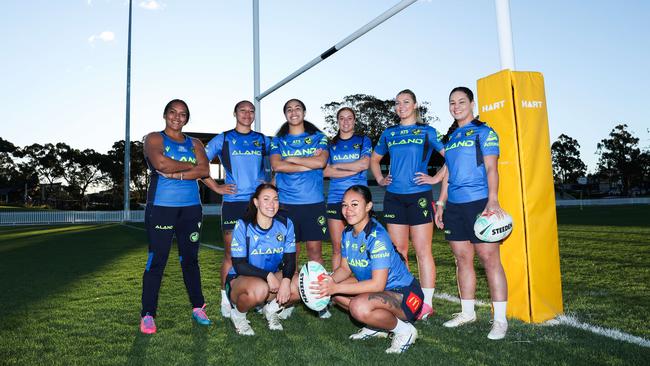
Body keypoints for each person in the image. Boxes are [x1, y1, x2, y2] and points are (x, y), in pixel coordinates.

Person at [434, 86, 508, 340]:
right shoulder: (451, 138)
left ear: (472, 103)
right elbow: (448, 174)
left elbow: (491, 169)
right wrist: (441, 204)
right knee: (462, 260)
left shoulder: (484, 132)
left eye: (461, 101)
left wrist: (493, 200)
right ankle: (467, 312)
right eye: (452, 102)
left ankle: (500, 320)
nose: (456, 106)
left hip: (479, 203)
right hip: (454, 206)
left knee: (489, 259)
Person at [314, 185, 423, 354]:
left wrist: (336, 287)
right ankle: (377, 324)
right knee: (332, 292)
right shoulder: (347, 233)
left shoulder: (377, 236)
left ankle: (403, 330)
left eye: (354, 204)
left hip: (405, 294)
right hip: (378, 288)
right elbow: (344, 268)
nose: (348, 210)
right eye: (344, 205)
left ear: (368, 207)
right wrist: (327, 283)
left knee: (358, 307)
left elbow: (378, 285)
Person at [369, 89, 445, 320]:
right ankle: (406, 298)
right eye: (397, 103)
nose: (401, 106)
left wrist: (435, 178)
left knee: (423, 251)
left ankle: (427, 304)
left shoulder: (427, 131)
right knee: (400, 252)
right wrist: (381, 178)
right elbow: (374, 159)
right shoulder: (389, 133)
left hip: (419, 196)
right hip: (393, 197)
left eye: (405, 102)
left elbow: (450, 157)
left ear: (414, 105)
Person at [139, 99, 212, 334]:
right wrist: (190, 168)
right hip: (161, 206)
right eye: (173, 112)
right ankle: (148, 314)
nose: (177, 117)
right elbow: (159, 162)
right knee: (157, 259)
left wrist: (177, 172)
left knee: (190, 260)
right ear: (165, 115)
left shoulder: (195, 142)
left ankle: (198, 307)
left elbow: (205, 170)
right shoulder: (154, 138)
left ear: (187, 118)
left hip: (191, 208)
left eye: (182, 114)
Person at [202, 100, 271, 318]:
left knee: (256, 253)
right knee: (232, 254)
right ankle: (225, 297)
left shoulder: (261, 140)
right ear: (235, 113)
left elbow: (283, 154)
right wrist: (215, 186)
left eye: (251, 111)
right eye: (243, 110)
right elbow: (199, 161)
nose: (247, 114)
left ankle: (258, 296)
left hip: (258, 204)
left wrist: (273, 181)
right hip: (233, 203)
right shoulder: (224, 138)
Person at [270, 99, 330, 318]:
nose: (293, 112)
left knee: (315, 253)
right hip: (287, 205)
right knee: (291, 256)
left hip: (313, 203)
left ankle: (319, 299)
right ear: (285, 114)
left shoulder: (319, 138)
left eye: (297, 108)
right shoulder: (278, 140)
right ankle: (291, 299)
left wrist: (292, 159)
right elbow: (277, 166)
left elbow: (321, 163)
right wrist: (308, 161)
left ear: (304, 112)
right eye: (289, 109)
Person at [226, 183, 301, 335]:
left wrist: (286, 281)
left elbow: (290, 259)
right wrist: (267, 275)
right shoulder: (243, 225)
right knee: (261, 288)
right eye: (266, 199)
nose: (271, 204)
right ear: (256, 202)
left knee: (301, 284)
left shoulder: (286, 224)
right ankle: (238, 315)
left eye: (275, 199)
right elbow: (239, 265)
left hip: (271, 280)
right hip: (240, 280)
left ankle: (271, 310)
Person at [323, 107, 372, 271]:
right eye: (342, 118)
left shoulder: (364, 140)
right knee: (338, 248)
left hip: (359, 200)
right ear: (337, 121)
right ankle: (336, 289)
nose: (346, 122)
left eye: (349, 118)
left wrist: (337, 167)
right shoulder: (330, 145)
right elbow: (325, 171)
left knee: (361, 247)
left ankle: (361, 284)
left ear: (354, 121)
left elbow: (364, 164)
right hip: (336, 199)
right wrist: (354, 168)